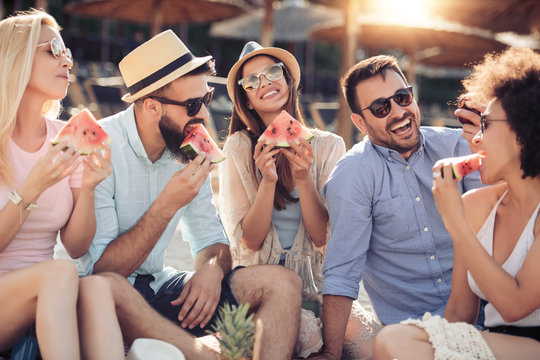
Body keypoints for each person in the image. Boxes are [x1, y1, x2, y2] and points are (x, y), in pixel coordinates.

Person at [73, 30, 302, 360]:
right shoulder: (101, 146)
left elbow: (213, 242)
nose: (205, 116)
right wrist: (167, 204)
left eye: (205, 99)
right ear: (151, 106)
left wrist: (210, 270)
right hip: (108, 297)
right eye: (193, 105)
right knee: (107, 286)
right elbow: (101, 269)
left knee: (283, 283)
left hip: (160, 287)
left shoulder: (186, 147)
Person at [312, 55, 484, 360]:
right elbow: (342, 272)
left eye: (402, 97)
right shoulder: (352, 176)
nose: (399, 112)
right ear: (360, 122)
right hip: (413, 337)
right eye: (381, 108)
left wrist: (496, 141)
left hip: (490, 316)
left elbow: (503, 224)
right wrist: (331, 354)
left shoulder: (461, 147)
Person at [373, 47, 540, 360]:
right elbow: (460, 312)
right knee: (392, 339)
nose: (475, 138)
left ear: (523, 131)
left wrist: (455, 223)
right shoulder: (476, 205)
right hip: (496, 343)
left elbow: (515, 307)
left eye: (487, 125)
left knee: (397, 343)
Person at [219, 41, 381, 358]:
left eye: (272, 72)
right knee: (308, 338)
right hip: (265, 293)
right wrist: (267, 182)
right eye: (251, 81)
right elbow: (249, 241)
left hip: (320, 293)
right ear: (247, 100)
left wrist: (305, 179)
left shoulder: (329, 146)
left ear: (289, 82)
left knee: (378, 348)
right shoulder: (238, 148)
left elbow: (323, 237)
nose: (264, 82)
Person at [0, 9, 122, 360]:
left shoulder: (64, 138)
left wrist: (89, 189)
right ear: (16, 57)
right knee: (59, 273)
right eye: (53, 49)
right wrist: (31, 189)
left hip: (48, 294)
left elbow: (77, 246)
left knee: (97, 287)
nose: (66, 61)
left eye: (67, 52)